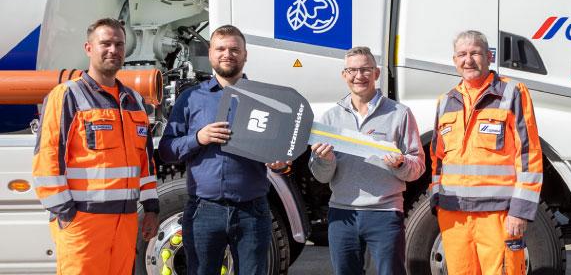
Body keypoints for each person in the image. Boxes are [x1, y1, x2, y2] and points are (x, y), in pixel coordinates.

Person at [32, 18, 159, 275]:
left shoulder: (134, 101)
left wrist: (152, 208)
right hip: (84, 223)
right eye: (106, 43)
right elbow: (47, 160)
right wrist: (66, 214)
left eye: (119, 44)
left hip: (125, 224)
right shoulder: (67, 96)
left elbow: (144, 163)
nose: (113, 50)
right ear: (89, 48)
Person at [158, 25, 288, 275]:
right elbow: (166, 150)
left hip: (252, 210)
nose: (227, 54)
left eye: (234, 49)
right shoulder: (192, 98)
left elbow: (281, 151)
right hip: (204, 211)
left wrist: (281, 162)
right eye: (221, 49)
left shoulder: (265, 98)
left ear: (245, 55)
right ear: (210, 53)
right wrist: (198, 138)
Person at [429, 30, 543, 275]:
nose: (468, 60)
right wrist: (437, 200)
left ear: (489, 56)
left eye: (475, 53)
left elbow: (529, 155)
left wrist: (520, 211)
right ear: (454, 60)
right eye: (462, 54)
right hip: (453, 216)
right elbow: (437, 160)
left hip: (499, 215)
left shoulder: (513, 93)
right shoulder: (445, 101)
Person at [309, 46, 425, 275]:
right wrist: (326, 159)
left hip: (385, 213)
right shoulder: (331, 117)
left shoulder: (399, 114)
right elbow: (321, 175)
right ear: (344, 75)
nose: (359, 76)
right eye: (352, 70)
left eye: (365, 69)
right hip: (342, 214)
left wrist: (400, 164)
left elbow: (418, 166)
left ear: (377, 73)